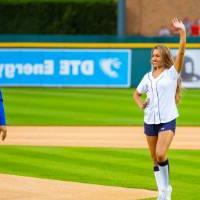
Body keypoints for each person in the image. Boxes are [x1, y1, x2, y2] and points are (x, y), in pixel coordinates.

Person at [134, 17, 186, 200]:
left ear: (164, 57)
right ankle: (163, 192)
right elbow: (136, 94)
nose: (154, 58)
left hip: (167, 119)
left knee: (161, 154)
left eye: (157, 55)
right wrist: (140, 104)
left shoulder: (172, 74)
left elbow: (180, 53)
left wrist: (182, 33)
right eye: (152, 55)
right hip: (149, 120)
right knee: (154, 158)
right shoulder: (147, 77)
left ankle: (166, 189)